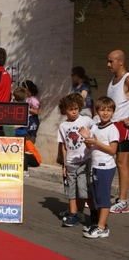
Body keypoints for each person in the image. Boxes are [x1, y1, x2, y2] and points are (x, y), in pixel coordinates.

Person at [79, 96, 119, 238]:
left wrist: (96, 141)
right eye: (102, 110)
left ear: (113, 112)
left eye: (109, 110)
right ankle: (100, 224)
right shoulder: (95, 127)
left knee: (103, 198)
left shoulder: (113, 129)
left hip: (106, 167)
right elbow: (90, 146)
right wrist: (86, 139)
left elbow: (112, 150)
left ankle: (102, 227)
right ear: (97, 112)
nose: (105, 113)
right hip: (95, 166)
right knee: (97, 197)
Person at [57, 92, 97, 227]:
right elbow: (64, 145)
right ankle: (73, 214)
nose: (74, 112)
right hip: (70, 163)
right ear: (64, 111)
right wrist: (64, 163)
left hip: (84, 161)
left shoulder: (86, 120)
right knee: (71, 190)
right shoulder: (63, 126)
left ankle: (93, 213)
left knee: (85, 188)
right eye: (70, 109)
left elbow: (96, 130)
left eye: (76, 109)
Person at [106, 49, 129, 213]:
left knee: (122, 164)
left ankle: (123, 201)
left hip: (122, 127)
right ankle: (102, 196)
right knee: (105, 160)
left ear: (120, 62)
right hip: (110, 126)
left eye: (111, 61)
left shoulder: (127, 79)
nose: (108, 64)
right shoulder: (113, 79)